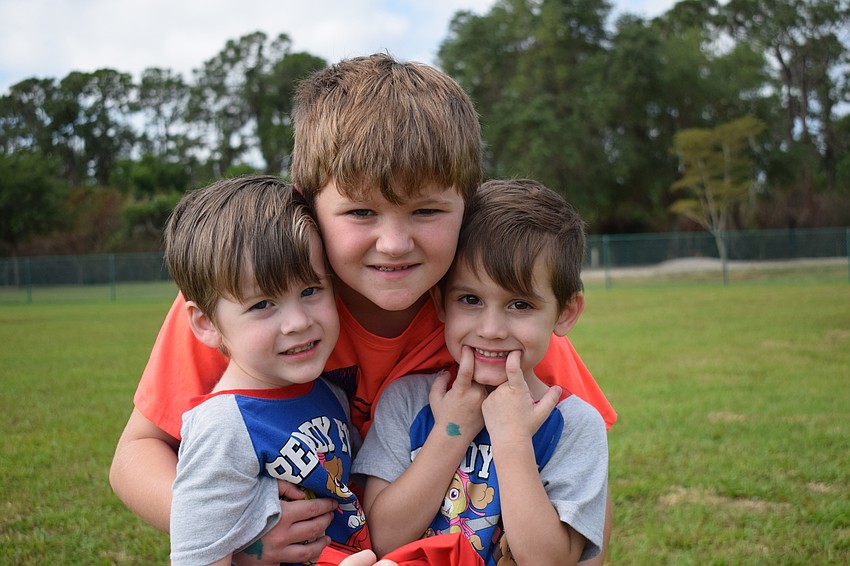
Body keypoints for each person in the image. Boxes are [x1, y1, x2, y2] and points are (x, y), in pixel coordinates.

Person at [109, 54, 616, 565]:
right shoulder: (249, 299)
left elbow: (586, 488)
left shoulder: (490, 317)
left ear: (468, 203)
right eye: (360, 212)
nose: (394, 244)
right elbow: (136, 453)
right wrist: (243, 531)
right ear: (308, 203)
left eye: (426, 210)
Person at [353, 179, 608, 565]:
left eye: (520, 305)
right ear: (441, 303)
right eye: (470, 299)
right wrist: (449, 432)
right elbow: (384, 540)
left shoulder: (575, 425)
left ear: (565, 313)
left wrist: (513, 440)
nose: (491, 329)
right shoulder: (406, 401)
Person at [162, 175, 370, 565]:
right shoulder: (223, 426)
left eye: (310, 291)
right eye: (262, 304)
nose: (297, 322)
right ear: (206, 324)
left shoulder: (330, 391)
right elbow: (197, 557)